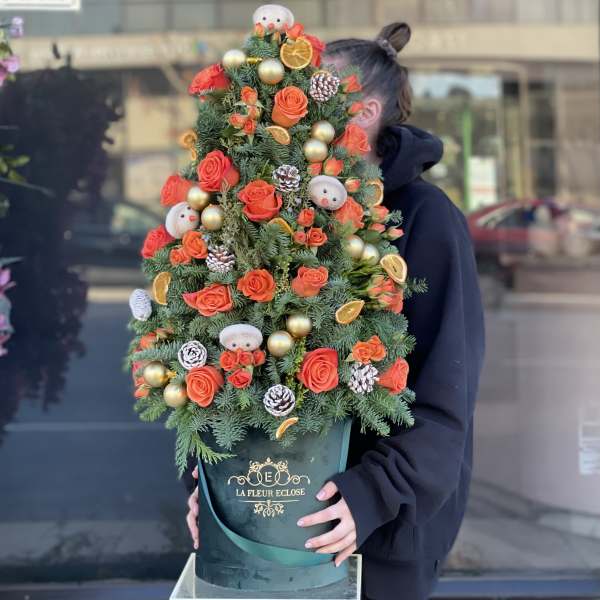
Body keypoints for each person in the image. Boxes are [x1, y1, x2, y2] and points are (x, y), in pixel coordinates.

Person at [185, 22, 485, 600]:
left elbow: (446, 393)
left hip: (380, 540)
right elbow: (215, 363)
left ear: (366, 112)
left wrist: (373, 494)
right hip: (263, 530)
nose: (291, 111)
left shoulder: (426, 219)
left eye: (313, 95)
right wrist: (207, 481)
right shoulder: (281, 214)